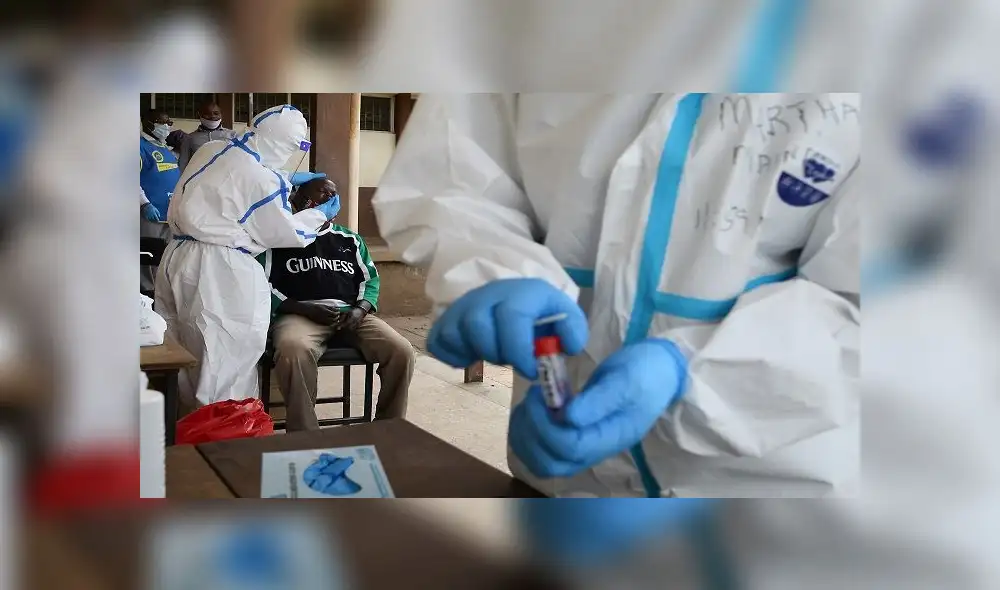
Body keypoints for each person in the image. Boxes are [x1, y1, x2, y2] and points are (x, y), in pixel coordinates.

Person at [373, 91, 860, 499]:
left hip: (771, 490)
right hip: (561, 484)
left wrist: (696, 374)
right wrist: (491, 267)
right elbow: (454, 166)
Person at [155, 104, 335, 410]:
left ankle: (185, 435)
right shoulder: (263, 180)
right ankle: (220, 441)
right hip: (219, 271)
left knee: (184, 352)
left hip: (178, 257)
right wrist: (319, 216)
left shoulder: (212, 148)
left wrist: (284, 180)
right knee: (224, 360)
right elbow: (284, 233)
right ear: (285, 144)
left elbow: (231, 184)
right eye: (295, 148)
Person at [258, 177, 415, 430]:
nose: (328, 199)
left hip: (350, 315)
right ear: (297, 197)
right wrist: (302, 308)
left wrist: (360, 309)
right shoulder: (278, 238)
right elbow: (261, 286)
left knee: (402, 351)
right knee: (293, 350)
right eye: (321, 192)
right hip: (300, 314)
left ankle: (389, 428)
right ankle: (306, 436)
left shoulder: (349, 239)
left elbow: (370, 281)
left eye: (333, 194)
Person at [139, 108, 180, 291]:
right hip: (149, 214)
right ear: (148, 123)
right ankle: (146, 294)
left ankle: (161, 293)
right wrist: (144, 204)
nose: (166, 126)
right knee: (148, 257)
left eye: (169, 122)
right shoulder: (139, 147)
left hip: (168, 214)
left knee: (164, 258)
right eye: (161, 122)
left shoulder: (164, 148)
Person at [177, 100, 237, 172]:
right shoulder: (189, 138)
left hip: (226, 178)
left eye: (216, 113)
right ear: (199, 115)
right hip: (200, 180)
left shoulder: (233, 135)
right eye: (207, 114)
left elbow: (238, 159)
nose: (212, 116)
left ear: (221, 114)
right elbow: (183, 163)